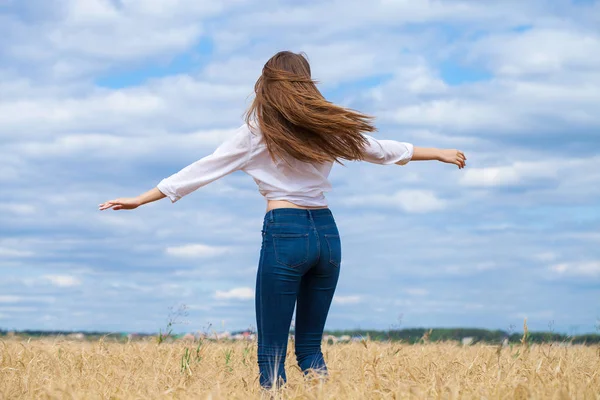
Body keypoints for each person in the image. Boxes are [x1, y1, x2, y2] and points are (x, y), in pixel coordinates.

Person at [99, 51, 466, 389]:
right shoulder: (328, 127)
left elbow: (201, 170)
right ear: (306, 84)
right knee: (310, 349)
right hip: (327, 237)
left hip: (286, 234)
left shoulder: (257, 133)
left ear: (265, 86)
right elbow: (382, 150)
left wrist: (141, 200)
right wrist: (439, 153)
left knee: (271, 355)